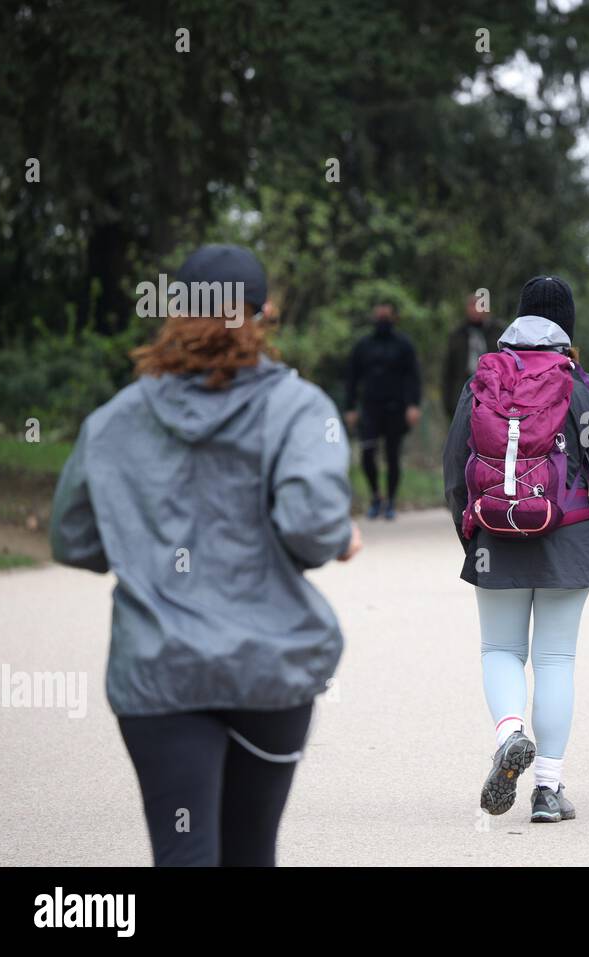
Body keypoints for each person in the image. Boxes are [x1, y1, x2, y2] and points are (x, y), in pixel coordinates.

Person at [50, 244, 360, 867]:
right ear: (264, 313)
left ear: (173, 316)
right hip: (269, 674)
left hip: (161, 674)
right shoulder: (297, 408)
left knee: (183, 855)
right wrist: (340, 536)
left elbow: (74, 539)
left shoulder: (116, 419)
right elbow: (312, 527)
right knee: (251, 852)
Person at [443, 275, 589, 823]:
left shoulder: (482, 382)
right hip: (565, 533)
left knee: (500, 650)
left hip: (495, 532)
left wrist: (467, 527)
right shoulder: (578, 383)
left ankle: (509, 734)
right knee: (556, 659)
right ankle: (548, 788)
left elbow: (455, 465)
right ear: (566, 325)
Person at [344, 300, 422, 520]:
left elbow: (413, 377)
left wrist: (413, 405)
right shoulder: (363, 346)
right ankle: (375, 497)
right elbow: (351, 378)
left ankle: (391, 500)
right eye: (379, 316)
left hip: (396, 408)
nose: (382, 320)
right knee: (367, 453)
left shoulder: (404, 345)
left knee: (392, 455)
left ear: (394, 318)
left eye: (386, 316)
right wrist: (350, 407)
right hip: (370, 408)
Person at [442, 293, 501, 421]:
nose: (475, 310)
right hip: (463, 393)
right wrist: (448, 403)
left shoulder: (499, 333)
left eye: (480, 306)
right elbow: (448, 371)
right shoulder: (457, 335)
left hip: (492, 393)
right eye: (472, 305)